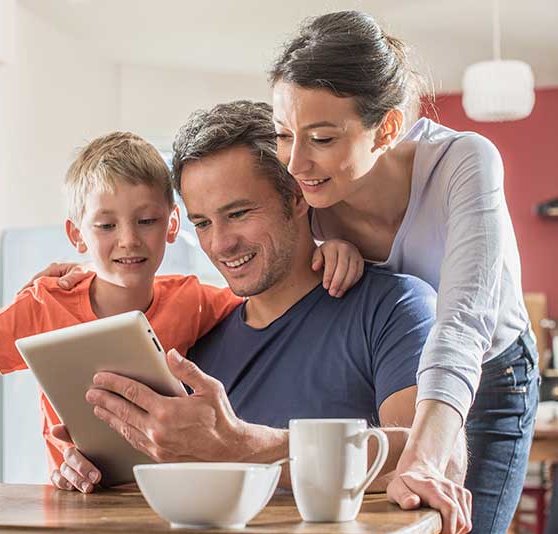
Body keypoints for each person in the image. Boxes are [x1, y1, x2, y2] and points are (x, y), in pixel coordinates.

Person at [0, 131, 359, 492]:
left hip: (169, 498)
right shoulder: (44, 304)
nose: (129, 240)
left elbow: (273, 291)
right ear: (77, 235)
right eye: (105, 226)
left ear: (172, 224)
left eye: (146, 221)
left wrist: (325, 248)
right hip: (77, 495)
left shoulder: (194, 298)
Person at [48, 101, 456, 497]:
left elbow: (430, 460)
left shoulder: (393, 307)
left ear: (297, 196)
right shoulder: (198, 340)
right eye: (203, 223)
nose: (220, 244)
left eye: (239, 213)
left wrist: (242, 445)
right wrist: (94, 473)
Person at [267, 10, 539, 534]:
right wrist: (320, 248)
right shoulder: (307, 194)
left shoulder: (463, 163)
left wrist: (423, 453)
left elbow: (461, 322)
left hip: (490, 373)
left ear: (387, 128)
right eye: (282, 134)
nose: (295, 162)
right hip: (392, 378)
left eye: (321, 137)